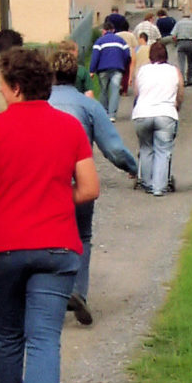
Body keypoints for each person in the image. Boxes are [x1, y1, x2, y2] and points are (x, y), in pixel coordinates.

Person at [0, 47, 99, 383]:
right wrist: (58, 201)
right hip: (57, 243)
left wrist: (12, 201)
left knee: (8, 334)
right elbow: (90, 187)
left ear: (15, 88)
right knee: (44, 340)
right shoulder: (69, 127)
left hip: (6, 246)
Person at [48, 42, 138, 326]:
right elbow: (113, 148)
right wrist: (133, 168)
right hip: (78, 183)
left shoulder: (36, 103)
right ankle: (77, 292)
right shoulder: (89, 105)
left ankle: (46, 295)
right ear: (77, 74)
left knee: (45, 236)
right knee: (81, 236)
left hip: (43, 182)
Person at [132, 40, 184, 197]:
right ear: (166, 56)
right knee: (162, 150)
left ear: (150, 56)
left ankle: (147, 182)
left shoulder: (143, 70)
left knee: (146, 147)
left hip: (142, 113)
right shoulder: (174, 71)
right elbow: (180, 92)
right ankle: (159, 187)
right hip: (165, 113)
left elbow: (136, 93)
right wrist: (176, 107)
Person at [88, 23, 130, 121]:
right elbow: (127, 55)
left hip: (102, 69)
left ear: (104, 31)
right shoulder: (121, 41)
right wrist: (122, 63)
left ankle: (104, 112)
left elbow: (95, 57)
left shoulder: (99, 41)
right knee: (115, 91)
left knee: (103, 90)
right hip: (117, 68)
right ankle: (112, 115)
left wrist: (92, 70)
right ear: (113, 30)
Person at [171, 7, 192, 85]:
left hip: (181, 42)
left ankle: (182, 79)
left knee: (181, 63)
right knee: (190, 62)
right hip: (190, 43)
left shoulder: (178, 23)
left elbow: (173, 36)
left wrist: (176, 42)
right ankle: (190, 79)